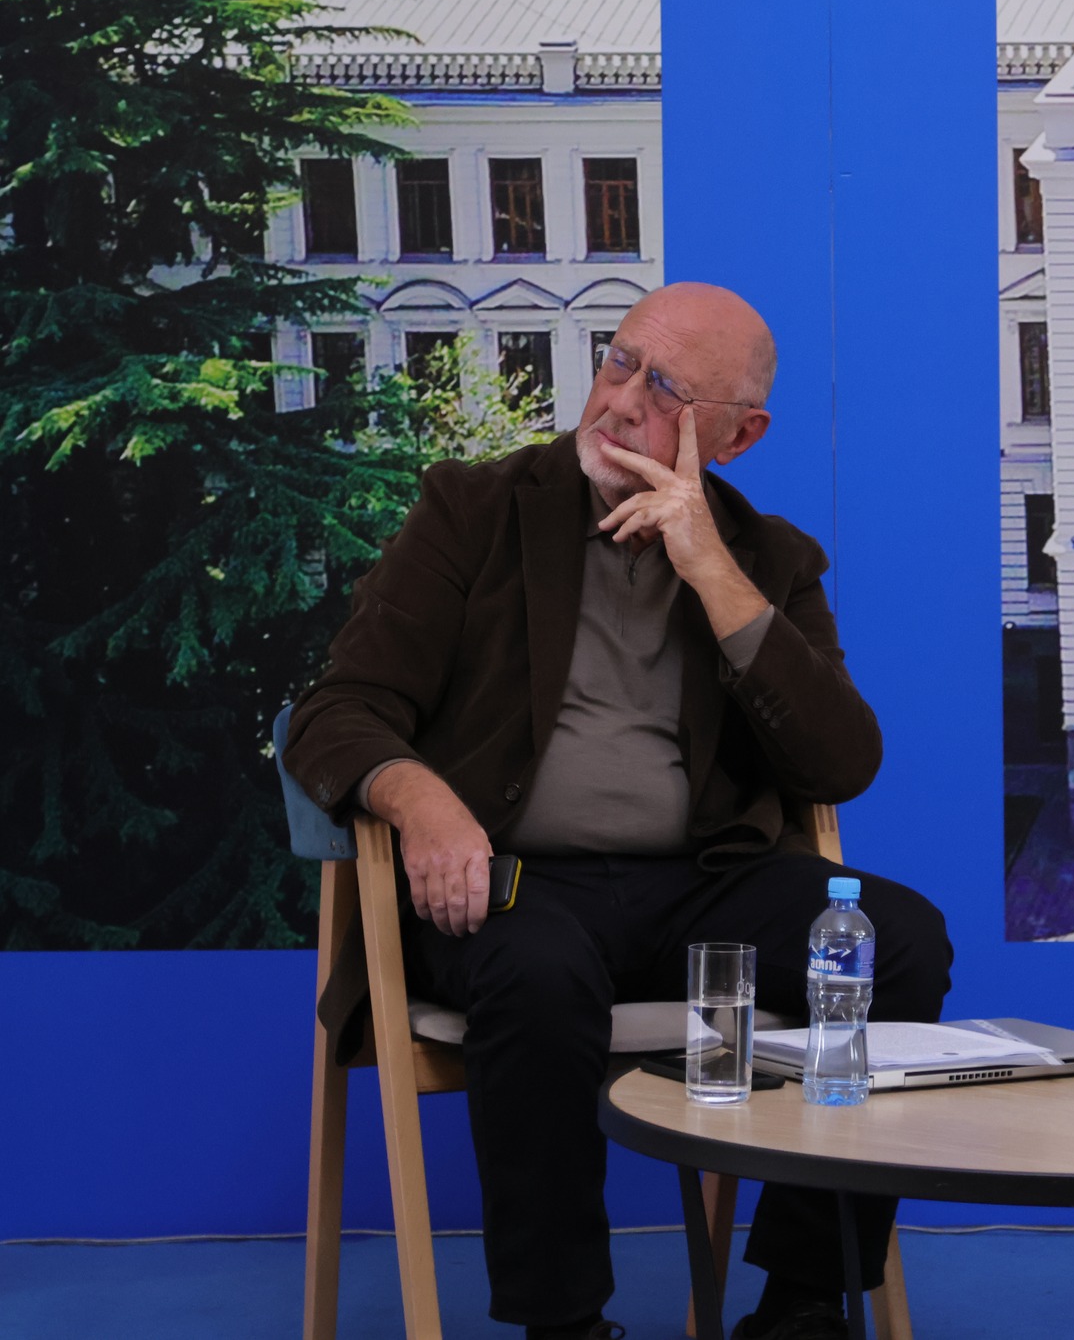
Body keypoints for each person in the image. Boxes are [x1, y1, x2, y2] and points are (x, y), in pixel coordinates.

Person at [286, 282, 952, 1340]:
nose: (624, 400)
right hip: (511, 883)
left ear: (738, 435)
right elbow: (338, 710)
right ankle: (564, 1326)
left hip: (704, 890)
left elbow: (841, 760)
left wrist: (710, 570)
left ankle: (801, 1301)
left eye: (668, 389)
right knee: (540, 973)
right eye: (619, 361)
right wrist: (422, 801)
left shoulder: (769, 558)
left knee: (897, 940)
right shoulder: (473, 511)